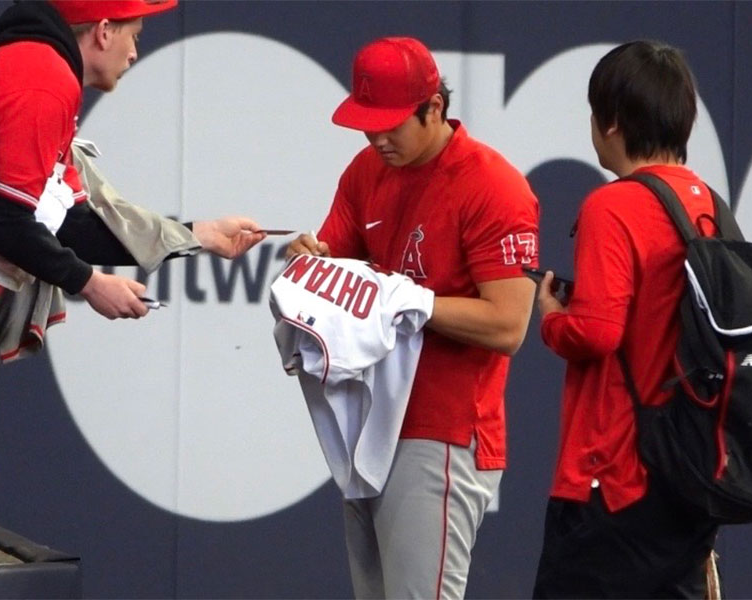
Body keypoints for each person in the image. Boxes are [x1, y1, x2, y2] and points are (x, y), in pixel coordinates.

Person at [0, 0, 266, 509]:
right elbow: (1, 220)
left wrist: (198, 235)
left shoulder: (32, 65)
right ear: (104, 31)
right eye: (134, 34)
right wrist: (90, 284)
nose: (136, 51)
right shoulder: (42, 73)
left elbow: (68, 224)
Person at [287, 36, 540, 599]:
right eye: (367, 123)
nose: (377, 137)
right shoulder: (366, 170)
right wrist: (312, 264)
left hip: (443, 428)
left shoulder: (492, 185)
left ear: (434, 108)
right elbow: (339, 270)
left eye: (391, 123)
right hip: (372, 420)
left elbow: (509, 325)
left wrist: (415, 303)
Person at [531, 40, 721, 598]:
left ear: (610, 122)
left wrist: (551, 317)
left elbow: (597, 332)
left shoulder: (611, 205)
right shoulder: (707, 202)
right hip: (687, 474)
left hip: (610, 477)